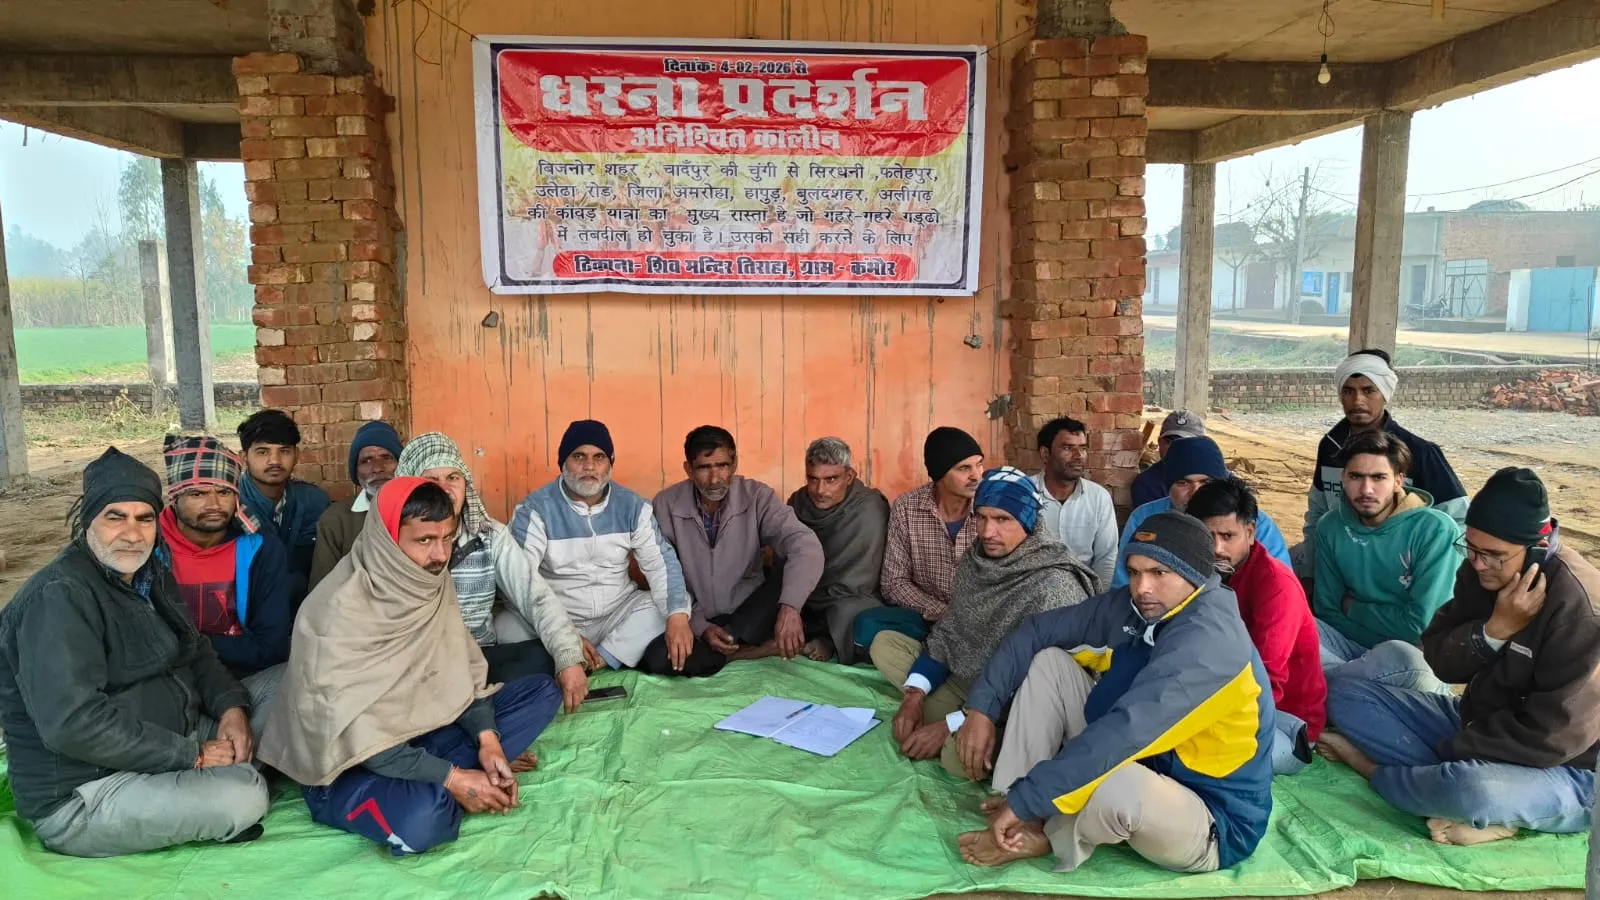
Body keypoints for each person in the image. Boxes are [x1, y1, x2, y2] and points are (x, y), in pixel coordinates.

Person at [953, 512, 1273, 874]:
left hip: (1211, 817)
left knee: (1115, 786)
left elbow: (1126, 732)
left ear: (1194, 574)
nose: (1142, 587)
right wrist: (980, 708)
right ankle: (1013, 803)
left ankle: (1046, 832)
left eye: (1159, 573)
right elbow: (1038, 630)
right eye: (1135, 572)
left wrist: (1032, 800)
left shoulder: (1209, 643)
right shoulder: (1142, 607)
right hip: (1148, 762)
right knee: (1050, 664)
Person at [259, 478, 564, 857]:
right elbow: (356, 735)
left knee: (541, 692)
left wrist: (488, 742)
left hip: (420, 733)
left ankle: (455, 774)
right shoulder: (334, 611)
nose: (440, 555)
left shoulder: (433, 584)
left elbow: (462, 673)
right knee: (426, 821)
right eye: (424, 540)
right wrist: (452, 777)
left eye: (447, 538)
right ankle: (447, 783)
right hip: (350, 765)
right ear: (387, 538)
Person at [0, 448, 269, 857]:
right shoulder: (58, 598)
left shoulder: (149, 572)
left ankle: (226, 774)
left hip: (175, 732)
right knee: (243, 797)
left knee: (287, 689)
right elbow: (74, 723)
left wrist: (232, 709)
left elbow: (196, 652)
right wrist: (191, 755)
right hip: (89, 789)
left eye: (144, 518)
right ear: (88, 520)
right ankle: (224, 787)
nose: (132, 533)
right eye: (115, 517)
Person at [1320, 468, 1598, 846]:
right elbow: (1440, 659)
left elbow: (1552, 737)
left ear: (1537, 547)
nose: (1479, 563)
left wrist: (1457, 751)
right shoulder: (1481, 569)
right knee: (1343, 694)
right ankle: (1466, 797)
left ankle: (1375, 770)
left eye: (1494, 556)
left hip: (1568, 767)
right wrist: (1493, 632)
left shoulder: (1581, 609)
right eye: (1472, 548)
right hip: (1476, 725)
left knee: (1472, 788)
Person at [872, 467, 1097, 778]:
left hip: (1012, 708)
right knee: (884, 644)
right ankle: (941, 715)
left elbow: (1034, 689)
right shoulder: (976, 560)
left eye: (1003, 520)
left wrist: (950, 724)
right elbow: (950, 631)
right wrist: (915, 696)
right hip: (968, 678)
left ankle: (961, 730)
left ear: (1028, 521)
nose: (988, 531)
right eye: (981, 517)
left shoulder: (1053, 585)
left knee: (956, 760)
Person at [398, 433, 588, 709]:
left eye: (453, 478)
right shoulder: (394, 542)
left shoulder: (490, 536)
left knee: (546, 661)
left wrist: (569, 657)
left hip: (478, 655)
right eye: (431, 480)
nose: (445, 489)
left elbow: (533, 594)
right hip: (419, 665)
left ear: (465, 485)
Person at [512, 420, 694, 676]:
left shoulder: (632, 506)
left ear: (610, 463)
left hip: (616, 613)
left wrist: (676, 617)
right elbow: (521, 579)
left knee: (676, 605)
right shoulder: (535, 510)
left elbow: (660, 564)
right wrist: (563, 634)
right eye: (579, 457)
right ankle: (576, 651)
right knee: (505, 626)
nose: (589, 466)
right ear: (563, 463)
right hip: (558, 615)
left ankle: (602, 658)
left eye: (599, 457)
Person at [651, 426, 826, 674]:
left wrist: (791, 607)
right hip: (698, 614)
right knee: (658, 658)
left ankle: (736, 647)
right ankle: (754, 650)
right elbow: (666, 573)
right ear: (688, 469)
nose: (715, 478)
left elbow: (804, 544)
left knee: (793, 570)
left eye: (722, 465)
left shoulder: (756, 497)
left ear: (734, 464)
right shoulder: (666, 504)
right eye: (704, 467)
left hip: (749, 612)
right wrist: (700, 626)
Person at [1188, 478, 1325, 775]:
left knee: (1202, 759)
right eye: (1205, 536)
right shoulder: (1199, 572)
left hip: (1283, 721)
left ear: (1250, 533)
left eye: (1227, 536)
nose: (1216, 549)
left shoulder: (1276, 586)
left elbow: (1266, 682)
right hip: (1219, 698)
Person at [1296, 350, 1467, 577]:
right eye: (1349, 391)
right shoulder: (1330, 447)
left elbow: (1460, 522)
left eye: (1369, 390)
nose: (1358, 401)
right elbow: (1317, 513)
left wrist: (1432, 574)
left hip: (1400, 574)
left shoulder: (1420, 452)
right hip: (1339, 567)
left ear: (1385, 394)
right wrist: (1311, 573)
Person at [1313, 429, 1460, 691]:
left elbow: (1420, 627)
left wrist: (1353, 608)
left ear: (1398, 481)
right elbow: (1326, 610)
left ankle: (1334, 688)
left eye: (1378, 477)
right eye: (1356, 476)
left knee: (1408, 663)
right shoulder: (1330, 526)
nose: (1366, 489)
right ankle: (1352, 689)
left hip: (1407, 657)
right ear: (1343, 479)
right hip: (1345, 647)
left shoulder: (1434, 530)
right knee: (1303, 627)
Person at [158, 435, 291, 716]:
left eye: (224, 492)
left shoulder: (260, 548)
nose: (214, 504)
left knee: (293, 684)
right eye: (198, 493)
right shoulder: (148, 549)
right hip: (164, 682)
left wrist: (183, 643)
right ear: (175, 497)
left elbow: (272, 647)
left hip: (242, 679)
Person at [857, 426, 985, 648]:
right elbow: (893, 582)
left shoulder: (991, 506)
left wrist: (969, 616)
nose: (976, 475)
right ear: (940, 474)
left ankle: (938, 652)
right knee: (866, 625)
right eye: (964, 468)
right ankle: (940, 649)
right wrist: (940, 612)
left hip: (981, 618)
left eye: (979, 464)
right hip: (928, 617)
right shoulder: (908, 507)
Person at [1112, 436, 1289, 588]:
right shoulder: (1145, 519)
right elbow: (1123, 585)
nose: (1195, 492)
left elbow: (1280, 585)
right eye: (1183, 483)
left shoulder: (1253, 522)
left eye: (1206, 482)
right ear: (1168, 487)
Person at [786, 436, 891, 664]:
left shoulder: (869, 509)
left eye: (831, 479)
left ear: (849, 476)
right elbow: (785, 557)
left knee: (852, 612)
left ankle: (829, 640)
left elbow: (866, 576)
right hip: (804, 592)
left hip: (848, 595)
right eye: (812, 479)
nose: (819, 490)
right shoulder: (797, 502)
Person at [236, 409, 331, 606]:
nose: (275, 461)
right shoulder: (231, 506)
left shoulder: (315, 501)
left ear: (297, 455)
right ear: (244, 458)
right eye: (262, 452)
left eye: (284, 451)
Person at [310, 420, 403, 589]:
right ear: (356, 471)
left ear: (401, 464)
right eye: (366, 460)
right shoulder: (335, 519)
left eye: (387, 457)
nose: (377, 468)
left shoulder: (418, 511)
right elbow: (322, 590)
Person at [1030, 416, 1116, 589]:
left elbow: (1106, 557)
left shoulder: (1099, 497)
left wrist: (1097, 603)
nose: (1079, 456)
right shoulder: (1025, 493)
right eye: (1068, 448)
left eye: (1083, 449)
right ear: (1046, 454)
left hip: (1084, 594)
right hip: (1033, 591)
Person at [1131, 410, 1205, 510]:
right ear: (1159, 442)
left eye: (1186, 443)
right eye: (1170, 441)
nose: (1177, 448)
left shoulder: (1220, 479)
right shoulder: (1148, 484)